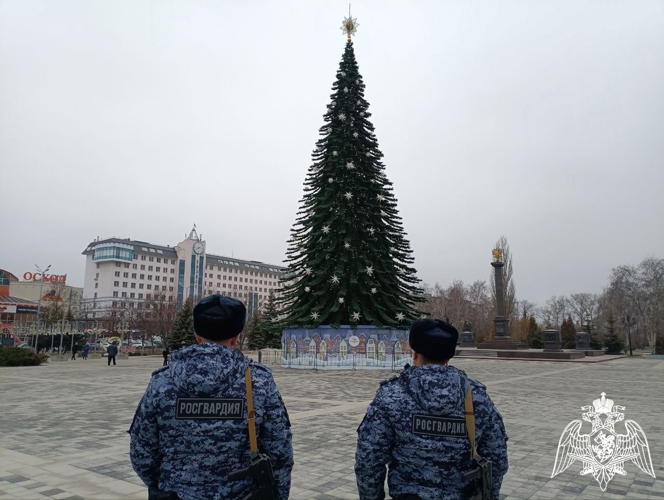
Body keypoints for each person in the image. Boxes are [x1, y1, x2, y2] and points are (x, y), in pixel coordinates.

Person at [129, 294, 293, 500]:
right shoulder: (258, 381)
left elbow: (142, 450)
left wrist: (165, 486)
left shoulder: (162, 381)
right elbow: (280, 452)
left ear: (197, 335)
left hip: (176, 494)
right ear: (235, 337)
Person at [355, 319, 509, 500]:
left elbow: (369, 461)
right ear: (448, 357)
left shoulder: (391, 395)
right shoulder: (477, 398)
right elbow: (497, 460)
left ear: (414, 353)